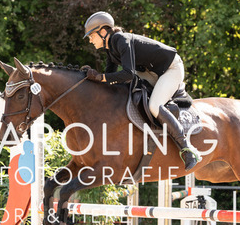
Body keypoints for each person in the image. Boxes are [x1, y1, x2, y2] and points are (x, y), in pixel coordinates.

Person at [82, 11, 201, 171]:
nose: (90, 40)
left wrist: (100, 77)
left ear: (103, 32)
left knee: (154, 106)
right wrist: (92, 80)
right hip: (152, 72)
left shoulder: (121, 40)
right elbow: (109, 77)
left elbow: (128, 74)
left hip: (170, 68)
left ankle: (187, 150)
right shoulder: (110, 49)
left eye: (91, 36)